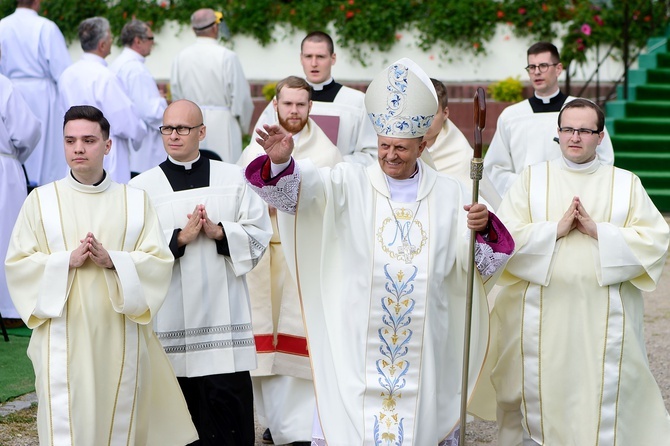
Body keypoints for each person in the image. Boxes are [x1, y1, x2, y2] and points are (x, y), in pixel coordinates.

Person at [244, 58, 515, 445]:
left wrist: (483, 227)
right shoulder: (348, 183)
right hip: (357, 344)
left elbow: (483, 266)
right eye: (384, 145)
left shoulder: (452, 193)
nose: (390, 155)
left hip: (425, 346)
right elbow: (295, 194)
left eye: (401, 148)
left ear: (422, 144)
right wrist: (281, 161)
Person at [4, 105, 198, 446]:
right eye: (70, 140)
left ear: (107, 146)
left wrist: (114, 261)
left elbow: (158, 261)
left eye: (89, 140)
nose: (78, 148)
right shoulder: (41, 201)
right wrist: (65, 261)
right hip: (62, 336)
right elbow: (18, 263)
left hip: (119, 334)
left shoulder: (135, 201)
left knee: (118, 421)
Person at [485, 99, 670, 445]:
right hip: (540, 317)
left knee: (602, 390)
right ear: (557, 133)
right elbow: (504, 238)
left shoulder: (625, 184)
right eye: (568, 129)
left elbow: (655, 240)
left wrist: (599, 231)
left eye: (585, 130)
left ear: (600, 137)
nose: (575, 137)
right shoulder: (531, 179)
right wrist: (553, 230)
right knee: (540, 389)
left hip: (604, 317)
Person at [129, 99, 272, 446]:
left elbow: (259, 234)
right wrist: (179, 239)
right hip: (172, 323)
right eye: (167, 129)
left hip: (224, 325)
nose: (173, 136)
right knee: (180, 422)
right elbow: (133, 253)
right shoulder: (142, 188)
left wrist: (221, 232)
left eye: (182, 128)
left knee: (229, 423)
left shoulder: (233, 178)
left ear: (202, 132)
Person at [238, 76, 342, 446]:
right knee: (267, 348)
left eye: (301, 104)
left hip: (303, 256)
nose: (294, 111)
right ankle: (275, 422)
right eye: (288, 104)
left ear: (311, 107)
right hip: (265, 256)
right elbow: (242, 193)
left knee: (299, 347)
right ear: (276, 105)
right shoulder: (256, 146)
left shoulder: (327, 151)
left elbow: (332, 201)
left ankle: (298, 430)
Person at [483, 41, 615, 196]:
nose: (537, 72)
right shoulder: (511, 116)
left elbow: (604, 160)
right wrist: (526, 184)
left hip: (573, 196)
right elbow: (495, 168)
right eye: (532, 67)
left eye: (543, 66)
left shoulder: (585, 111)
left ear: (558, 69)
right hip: (526, 198)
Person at [253, 31, 378, 164]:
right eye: (308, 56)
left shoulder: (356, 102)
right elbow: (260, 147)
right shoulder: (283, 100)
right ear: (301, 58)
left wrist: (331, 162)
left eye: (320, 56)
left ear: (333, 58)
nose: (314, 63)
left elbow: (371, 154)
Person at [58, 16, 146, 184]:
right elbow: (124, 119)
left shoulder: (67, 74)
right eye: (110, 36)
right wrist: (140, 131)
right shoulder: (105, 76)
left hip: (76, 147)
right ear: (102, 44)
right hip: (105, 151)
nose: (112, 40)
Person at [0, 0, 71, 186]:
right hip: (43, 96)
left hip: (9, 89)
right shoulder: (46, 27)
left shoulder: (2, 25)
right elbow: (62, 70)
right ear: (37, 2)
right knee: (46, 153)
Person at [171, 8, 253, 163]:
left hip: (190, 123)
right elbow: (240, 98)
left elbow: (176, 95)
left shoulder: (180, 57)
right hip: (223, 123)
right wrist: (241, 126)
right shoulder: (227, 56)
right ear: (215, 27)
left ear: (194, 29)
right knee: (226, 170)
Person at [0, 59, 41, 325]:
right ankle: (8, 307)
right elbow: (28, 132)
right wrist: (14, 157)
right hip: (4, 168)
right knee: (6, 235)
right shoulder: (4, 85)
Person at [424, 78, 501, 210]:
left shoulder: (463, 157)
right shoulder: (400, 150)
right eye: (420, 113)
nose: (425, 120)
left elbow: (490, 206)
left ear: (445, 113)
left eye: (432, 113)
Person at [110, 19, 167, 176]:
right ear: (138, 41)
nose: (153, 44)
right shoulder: (135, 69)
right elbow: (149, 111)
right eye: (150, 39)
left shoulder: (120, 63)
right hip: (144, 145)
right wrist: (162, 102)